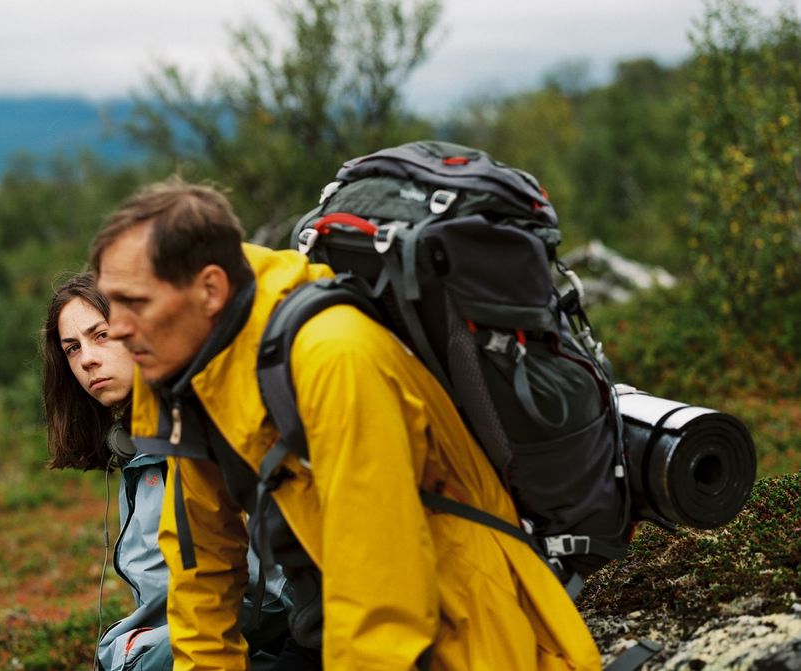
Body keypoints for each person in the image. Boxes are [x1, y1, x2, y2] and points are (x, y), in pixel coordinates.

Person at [91, 178, 604, 670]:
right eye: (111, 301)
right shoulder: (187, 371)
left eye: (135, 302)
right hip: (322, 633)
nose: (115, 328)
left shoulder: (332, 356)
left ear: (210, 289)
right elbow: (202, 567)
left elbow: (383, 582)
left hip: (461, 637)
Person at [41, 272, 289, 671]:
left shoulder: (208, 433)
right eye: (72, 347)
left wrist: (137, 655)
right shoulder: (137, 452)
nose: (86, 358)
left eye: (101, 335)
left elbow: (275, 598)